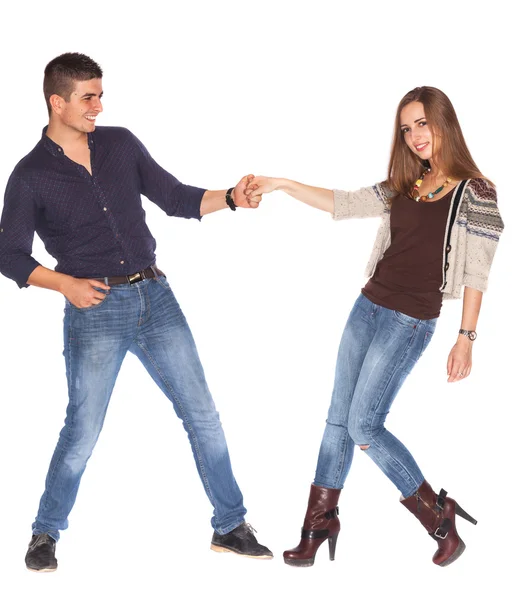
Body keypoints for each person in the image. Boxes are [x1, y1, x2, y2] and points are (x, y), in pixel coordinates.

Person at [0, 52, 273, 573]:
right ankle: (45, 531)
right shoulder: (31, 175)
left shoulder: (120, 144)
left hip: (156, 298)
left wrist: (233, 198)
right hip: (95, 308)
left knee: (203, 415)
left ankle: (230, 525)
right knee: (82, 429)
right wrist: (63, 285)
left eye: (100, 94)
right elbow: (8, 253)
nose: (99, 106)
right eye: (88, 97)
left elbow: (174, 197)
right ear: (57, 102)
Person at [246, 86, 504, 568]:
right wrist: (282, 184)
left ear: (443, 121)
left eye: (422, 123)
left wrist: (466, 339)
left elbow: (476, 274)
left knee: (364, 423)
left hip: (410, 321)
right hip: (367, 308)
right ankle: (317, 526)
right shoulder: (406, 184)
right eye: (406, 128)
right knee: (338, 419)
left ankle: (438, 517)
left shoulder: (477, 191)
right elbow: (344, 203)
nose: (414, 136)